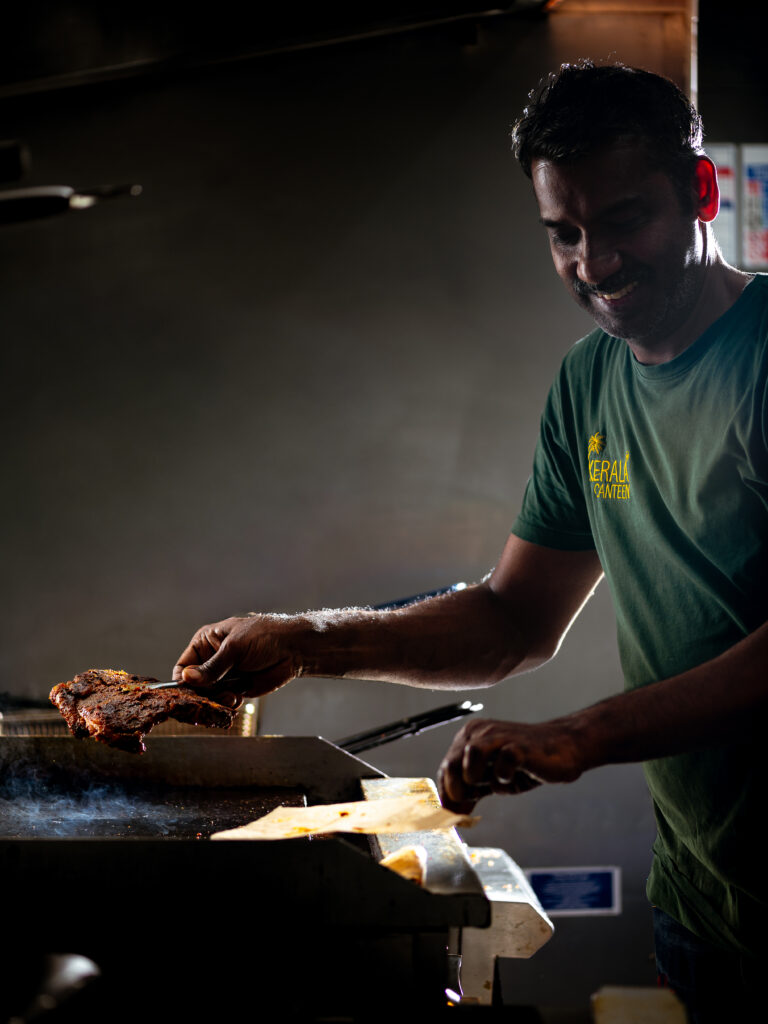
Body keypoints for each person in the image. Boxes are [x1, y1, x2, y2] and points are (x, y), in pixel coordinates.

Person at [173, 61, 767, 1022]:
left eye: (624, 222)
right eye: (563, 235)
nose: (594, 264)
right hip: (705, 906)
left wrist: (582, 734)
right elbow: (513, 619)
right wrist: (305, 640)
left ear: (700, 192)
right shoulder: (590, 383)